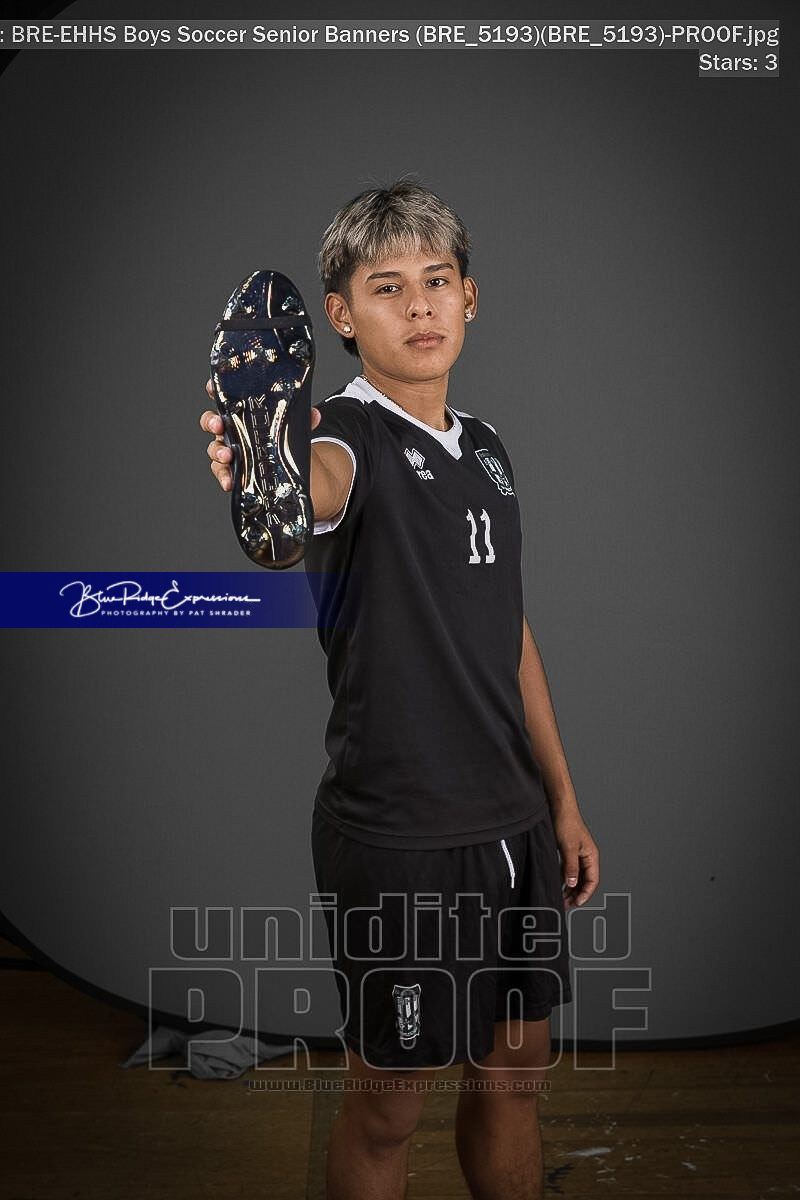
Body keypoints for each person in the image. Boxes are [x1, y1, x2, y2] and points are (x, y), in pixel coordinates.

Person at [200, 176, 599, 1200]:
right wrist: (276, 471)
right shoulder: (347, 435)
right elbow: (319, 493)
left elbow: (508, 632)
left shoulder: (487, 448)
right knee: (389, 1106)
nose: (419, 305)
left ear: (469, 297)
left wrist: (561, 801)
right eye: (387, 287)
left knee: (514, 1080)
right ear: (341, 315)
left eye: (436, 279)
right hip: (401, 835)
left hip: (511, 823)